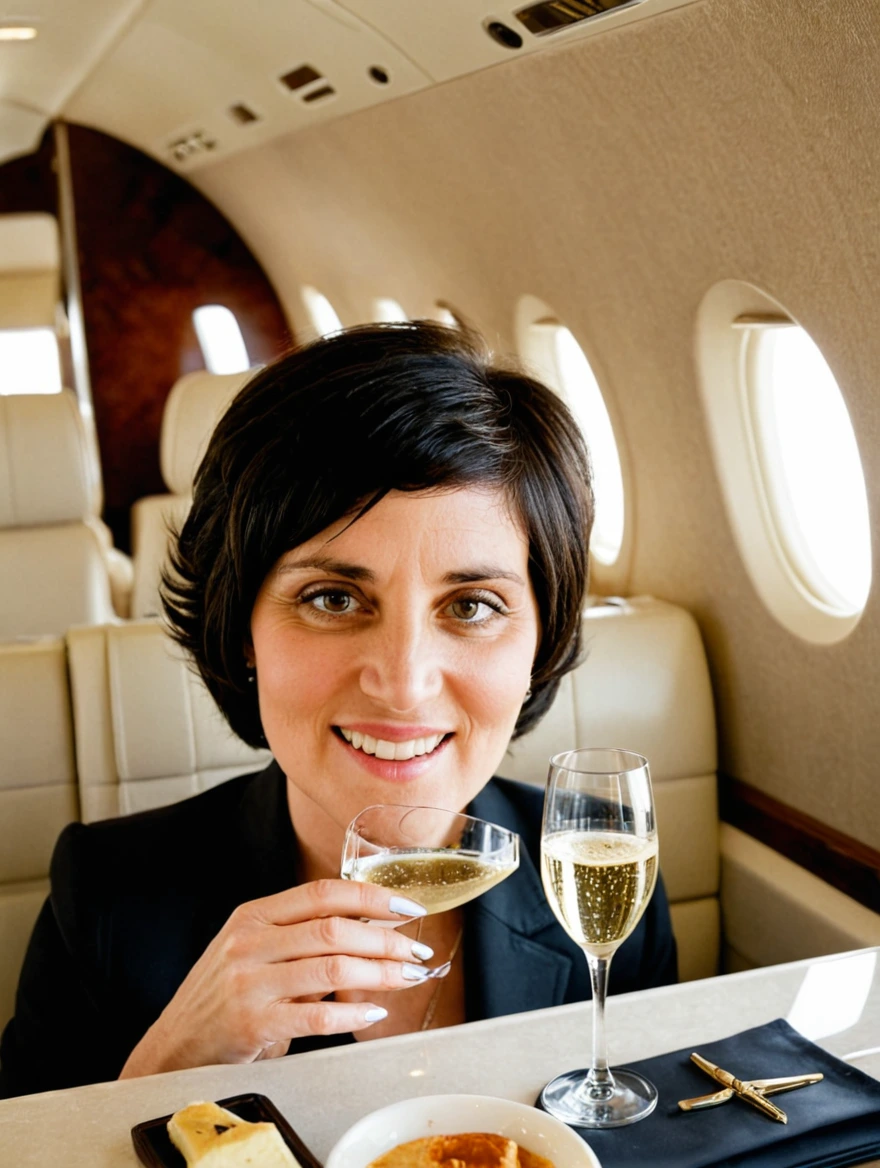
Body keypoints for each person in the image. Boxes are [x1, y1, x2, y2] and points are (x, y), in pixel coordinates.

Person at [0, 322, 676, 1098]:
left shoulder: (601, 871)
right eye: (334, 598)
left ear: (540, 644)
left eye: (472, 606)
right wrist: (166, 1072)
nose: (404, 682)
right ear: (242, 631)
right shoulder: (104, 903)